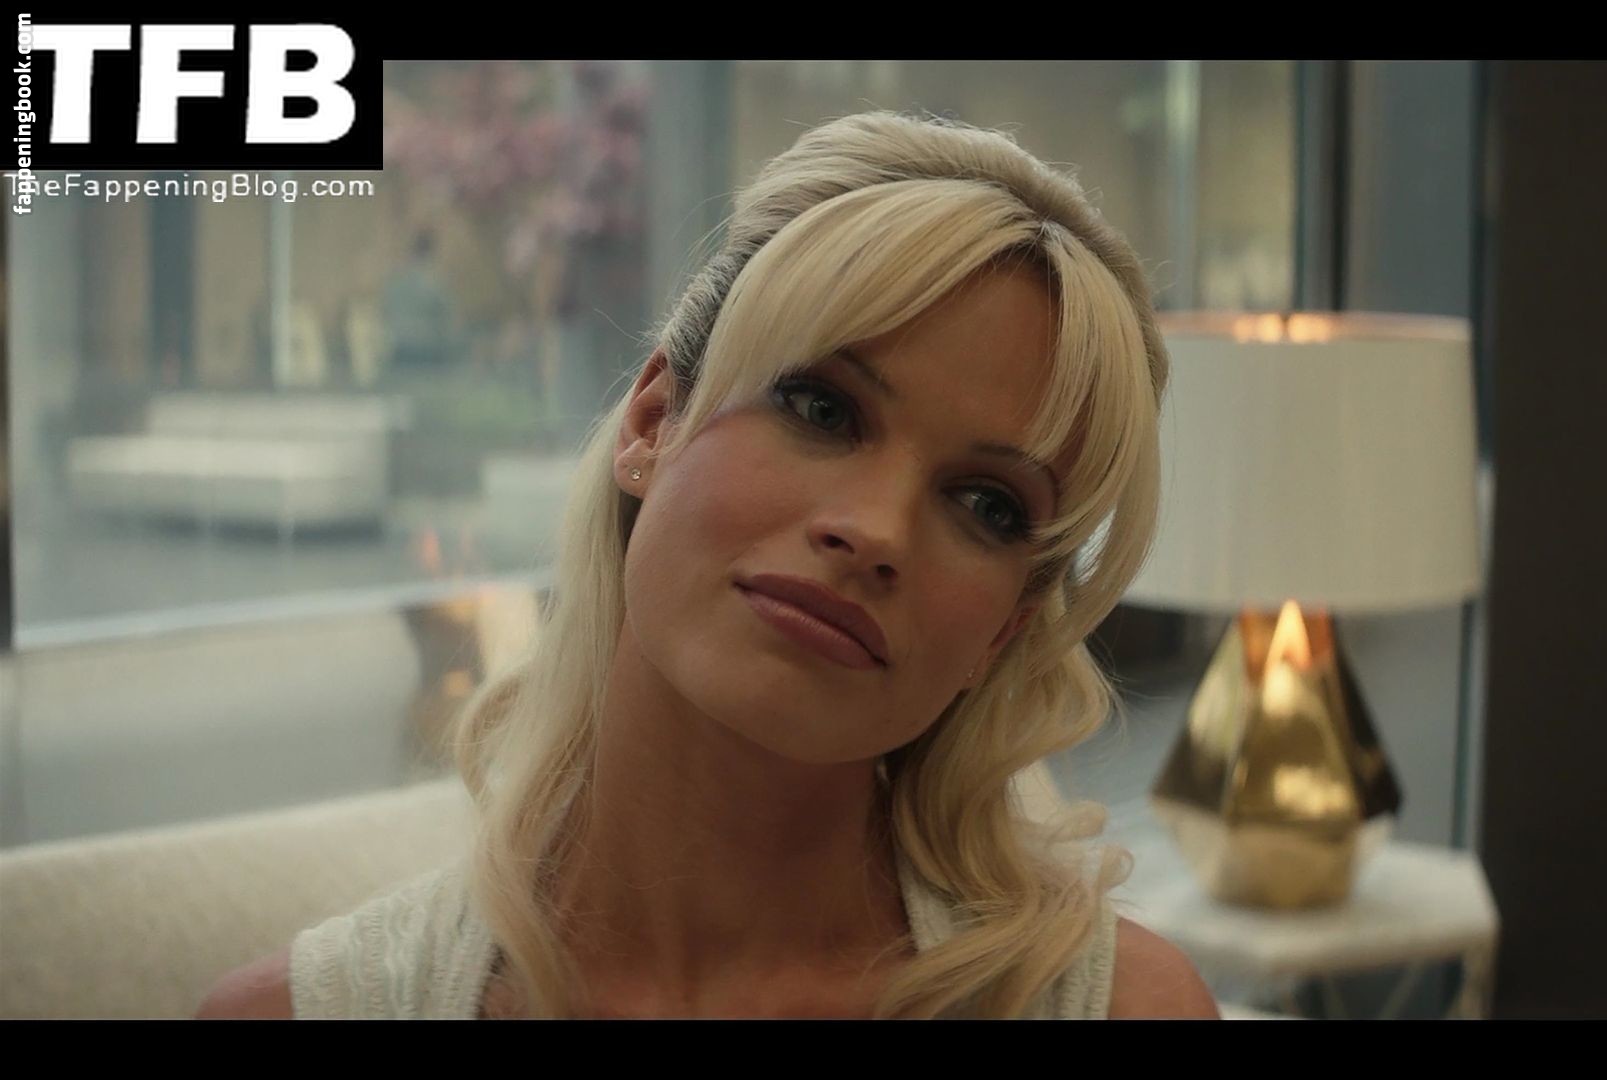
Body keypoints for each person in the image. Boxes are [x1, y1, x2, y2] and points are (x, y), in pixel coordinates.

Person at [195, 110, 1219, 1019]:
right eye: (822, 408)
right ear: (653, 420)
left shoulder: (1128, 1008)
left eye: (987, 505)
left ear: (1007, 623)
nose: (876, 531)